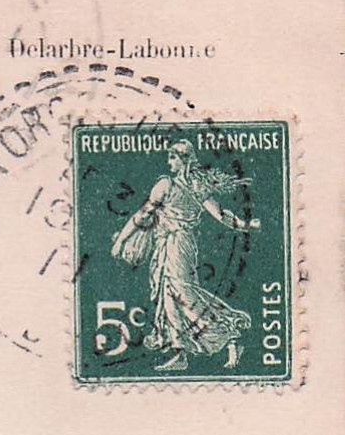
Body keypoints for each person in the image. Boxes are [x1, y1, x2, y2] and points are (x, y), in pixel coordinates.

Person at [109, 140, 259, 371]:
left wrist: (121, 241)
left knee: (182, 293)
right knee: (169, 295)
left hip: (178, 244)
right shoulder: (186, 185)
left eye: (173, 158)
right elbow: (145, 215)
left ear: (183, 160)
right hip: (169, 244)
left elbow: (219, 214)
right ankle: (181, 352)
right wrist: (245, 224)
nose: (169, 162)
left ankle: (228, 333)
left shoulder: (171, 185)